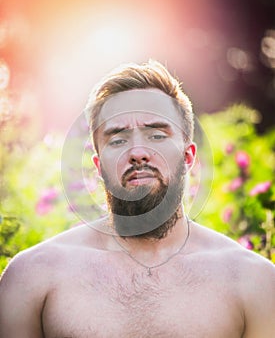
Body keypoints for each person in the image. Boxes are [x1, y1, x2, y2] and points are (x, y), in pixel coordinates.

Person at [0, 60, 275, 338]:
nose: (137, 152)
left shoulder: (252, 281)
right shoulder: (33, 277)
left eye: (156, 135)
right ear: (98, 165)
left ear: (188, 156)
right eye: (118, 140)